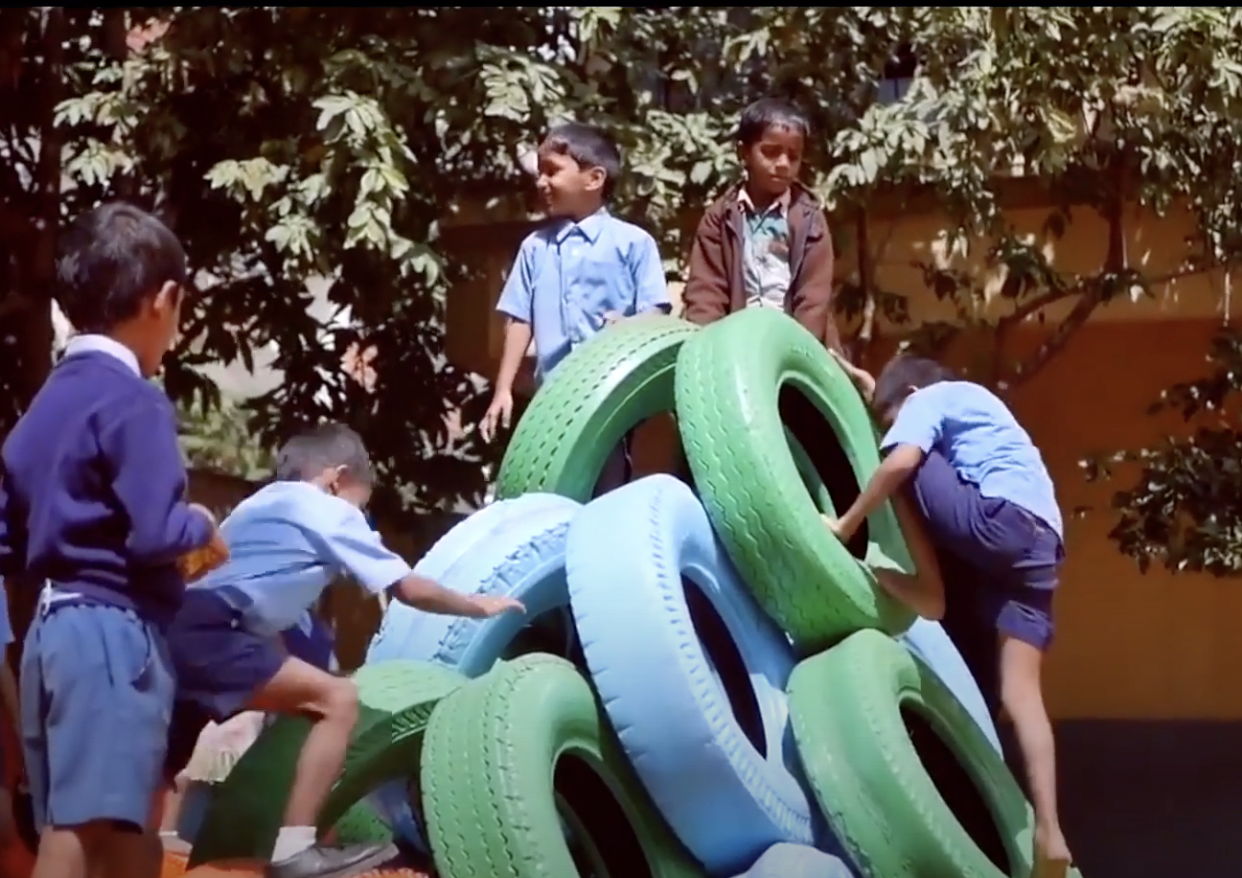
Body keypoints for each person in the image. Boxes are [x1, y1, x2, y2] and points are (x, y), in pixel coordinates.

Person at [163, 423, 525, 878]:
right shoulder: (327, 510)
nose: (362, 518)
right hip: (217, 628)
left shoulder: (256, 507)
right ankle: (296, 850)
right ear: (336, 479)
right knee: (338, 700)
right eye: (361, 504)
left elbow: (260, 611)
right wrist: (477, 604)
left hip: (179, 627)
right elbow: (409, 588)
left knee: (157, 774)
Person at [0, 202, 224, 878]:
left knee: (126, 829)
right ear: (165, 299)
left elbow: (9, 545)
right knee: (85, 829)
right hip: (112, 634)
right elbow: (159, 531)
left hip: (50, 635)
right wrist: (204, 529)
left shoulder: (43, 407)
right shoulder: (133, 401)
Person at [826, 352, 1072, 878]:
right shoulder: (968, 404)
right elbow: (899, 399)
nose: (892, 423)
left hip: (998, 522)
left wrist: (846, 526)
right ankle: (1050, 830)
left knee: (899, 461)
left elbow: (901, 459)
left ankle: (929, 591)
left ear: (911, 397)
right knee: (1021, 697)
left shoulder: (928, 402)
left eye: (894, 413)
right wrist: (868, 384)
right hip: (1042, 547)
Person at [480, 122, 671, 493]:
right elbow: (519, 319)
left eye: (552, 171)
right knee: (548, 491)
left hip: (609, 400)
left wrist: (631, 326)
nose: (541, 182)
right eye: (540, 173)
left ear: (594, 178)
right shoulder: (535, 248)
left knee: (606, 487)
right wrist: (503, 389)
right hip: (551, 400)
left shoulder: (633, 243)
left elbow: (656, 312)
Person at [683, 97, 842, 352]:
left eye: (793, 156)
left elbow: (813, 297)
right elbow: (706, 292)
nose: (783, 164)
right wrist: (707, 349)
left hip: (797, 347)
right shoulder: (720, 218)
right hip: (734, 347)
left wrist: (798, 353)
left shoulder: (809, 218)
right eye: (770, 152)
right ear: (743, 153)